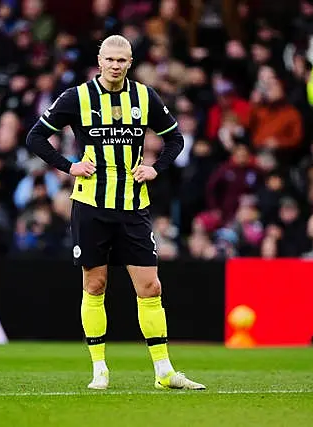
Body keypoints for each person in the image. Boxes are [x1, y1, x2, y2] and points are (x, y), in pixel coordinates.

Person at [26, 35, 205, 390]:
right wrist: (69, 165)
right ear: (99, 60)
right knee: (95, 284)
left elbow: (175, 139)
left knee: (150, 287)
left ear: (131, 62)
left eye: (122, 60)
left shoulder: (144, 96)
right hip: (91, 205)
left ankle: (164, 372)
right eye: (109, 59)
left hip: (134, 207)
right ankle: (100, 369)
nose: (115, 65)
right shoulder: (77, 97)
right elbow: (35, 137)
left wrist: (156, 167)